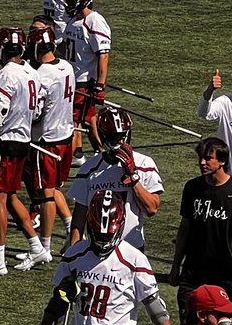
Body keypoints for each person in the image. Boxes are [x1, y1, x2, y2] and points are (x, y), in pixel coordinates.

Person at [22, 189, 173, 325]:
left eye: (107, 235)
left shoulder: (134, 260)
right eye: (98, 234)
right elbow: (59, 301)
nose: (103, 242)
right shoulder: (75, 255)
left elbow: (153, 305)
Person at [0, 27, 49, 276]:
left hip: (5, 142)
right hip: (23, 141)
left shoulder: (5, 74)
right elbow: (37, 113)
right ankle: (36, 246)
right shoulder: (31, 73)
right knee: (11, 197)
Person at [170, 136, 232, 311]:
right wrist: (176, 265)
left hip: (228, 275)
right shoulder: (192, 188)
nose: (202, 162)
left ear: (222, 161)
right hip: (193, 274)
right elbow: (185, 228)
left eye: (208, 158)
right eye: (201, 158)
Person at [17, 24, 75, 268]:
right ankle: (73, 229)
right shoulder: (67, 67)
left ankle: (44, 247)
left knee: (45, 195)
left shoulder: (41, 75)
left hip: (46, 142)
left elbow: (37, 113)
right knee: (53, 188)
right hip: (66, 136)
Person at [68, 106, 163, 251]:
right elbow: (79, 218)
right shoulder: (89, 169)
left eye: (122, 135)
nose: (119, 141)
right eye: (114, 137)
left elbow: (152, 208)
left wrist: (133, 178)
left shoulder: (144, 164)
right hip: (96, 250)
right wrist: (73, 252)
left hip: (131, 249)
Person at [63, 0, 111, 158]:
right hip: (71, 77)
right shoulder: (74, 20)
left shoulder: (94, 21)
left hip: (83, 80)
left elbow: (103, 55)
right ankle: (102, 151)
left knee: (74, 119)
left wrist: (100, 84)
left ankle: (76, 154)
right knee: (88, 118)